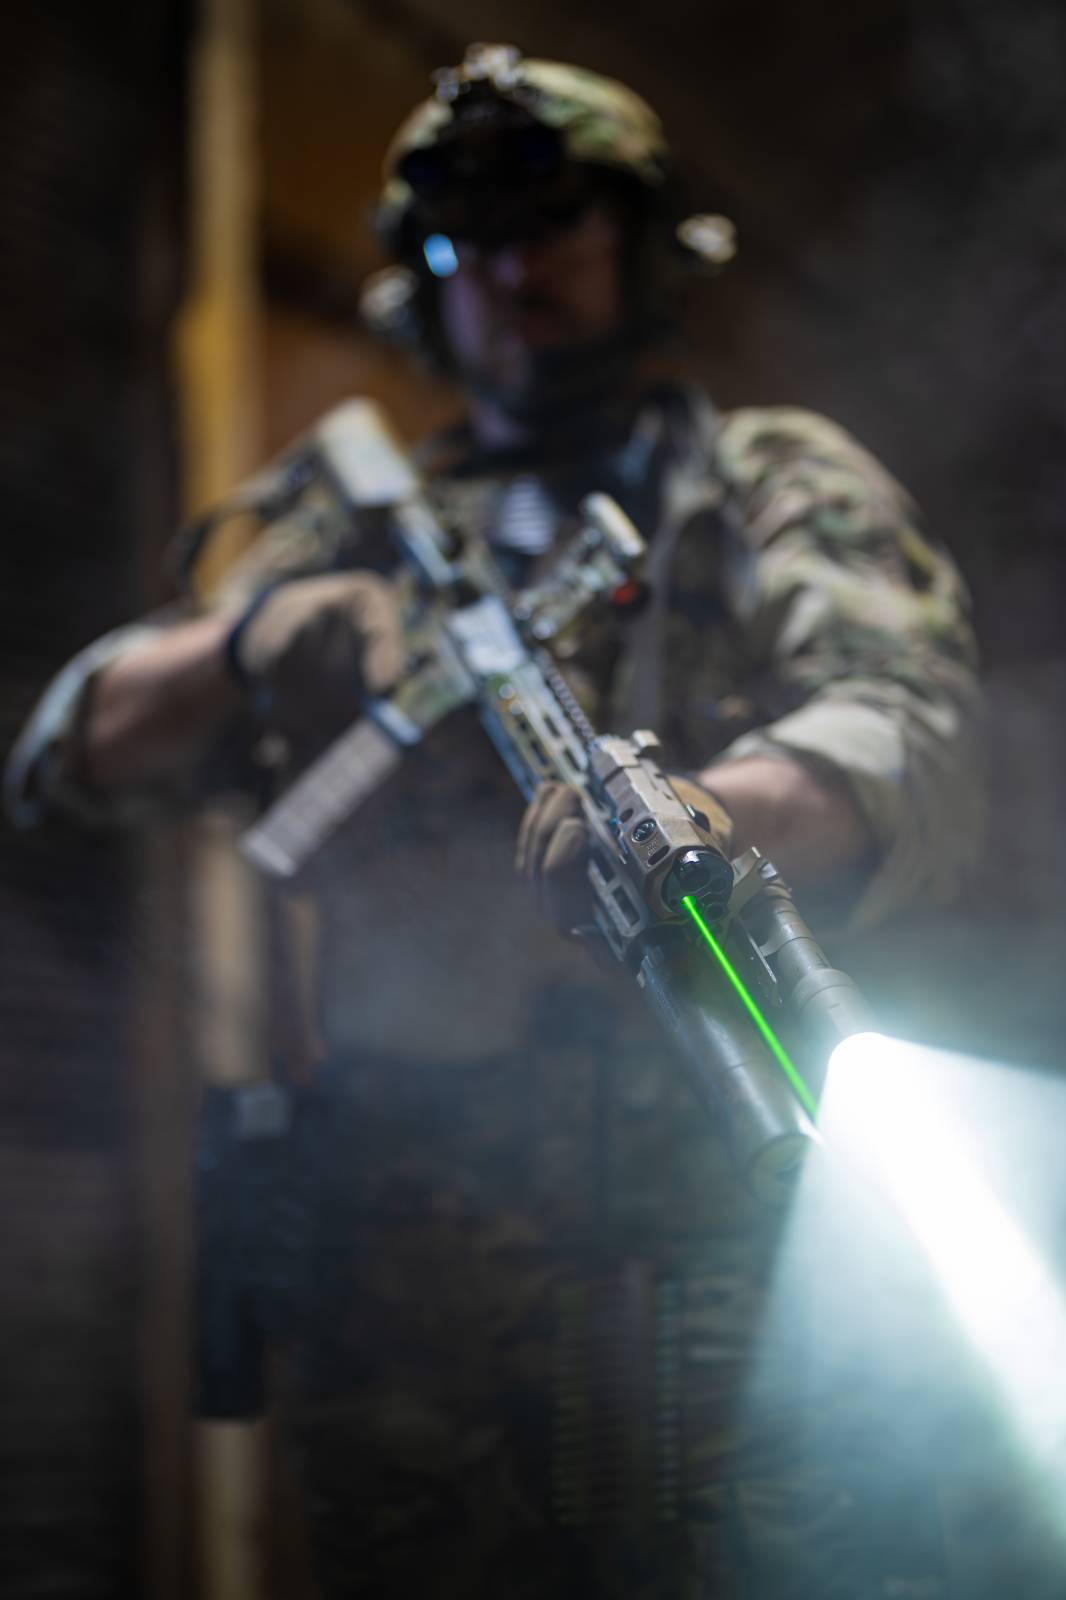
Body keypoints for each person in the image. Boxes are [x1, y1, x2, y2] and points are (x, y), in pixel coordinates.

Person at [6, 43, 981, 1598]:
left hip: (719, 1236)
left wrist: (697, 811)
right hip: (408, 1286)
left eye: (553, 221)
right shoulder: (340, 527)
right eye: (466, 238)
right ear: (420, 280)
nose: (511, 269)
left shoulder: (755, 484)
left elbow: (897, 738)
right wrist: (271, 638)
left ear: (641, 244)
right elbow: (69, 754)